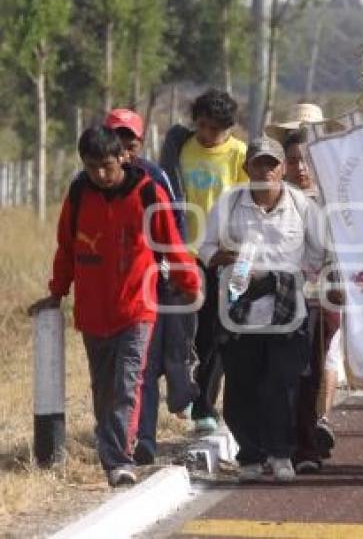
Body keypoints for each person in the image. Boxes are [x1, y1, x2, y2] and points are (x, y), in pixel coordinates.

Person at [29, 126, 201, 487]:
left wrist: (189, 284)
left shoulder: (148, 192)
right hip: (93, 312)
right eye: (92, 167)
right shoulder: (79, 194)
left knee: (128, 382)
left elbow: (170, 242)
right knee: (104, 387)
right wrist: (57, 292)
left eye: (106, 165)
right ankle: (115, 446)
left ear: (123, 157)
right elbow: (67, 249)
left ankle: (118, 459)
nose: (100, 174)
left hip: (137, 307)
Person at [197, 137, 324, 483]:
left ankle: (281, 454)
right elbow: (205, 247)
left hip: (288, 309)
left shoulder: (302, 206)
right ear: (246, 167)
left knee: (282, 383)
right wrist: (228, 258)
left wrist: (296, 276)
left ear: (282, 169)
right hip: (239, 308)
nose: (265, 171)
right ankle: (250, 456)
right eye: (258, 164)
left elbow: (319, 251)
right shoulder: (228, 203)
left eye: (272, 164)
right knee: (241, 384)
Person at [102, 108, 198, 465]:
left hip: (150, 284)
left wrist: (178, 274)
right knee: (115, 370)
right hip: (107, 290)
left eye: (130, 141)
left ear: (140, 143)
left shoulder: (153, 177)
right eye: (117, 140)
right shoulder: (89, 182)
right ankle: (118, 433)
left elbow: (175, 226)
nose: (124, 149)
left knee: (143, 363)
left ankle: (143, 437)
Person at [160, 89, 248, 434]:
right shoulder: (180, 147)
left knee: (215, 332)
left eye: (215, 129)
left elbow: (246, 204)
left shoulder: (239, 155)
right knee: (185, 330)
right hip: (187, 253)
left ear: (228, 129)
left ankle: (204, 407)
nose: (207, 134)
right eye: (202, 125)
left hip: (223, 256)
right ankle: (184, 390)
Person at [267, 114, 340, 473]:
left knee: (310, 375)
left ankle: (306, 448)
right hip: (276, 302)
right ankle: (278, 446)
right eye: (293, 160)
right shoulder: (272, 199)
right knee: (280, 376)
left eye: (307, 159)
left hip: (318, 302)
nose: (301, 167)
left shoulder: (335, 201)